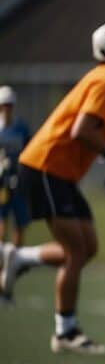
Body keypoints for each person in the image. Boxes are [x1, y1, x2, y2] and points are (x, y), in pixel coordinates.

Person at [0, 23, 105, 354]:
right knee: (75, 251)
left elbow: (103, 133)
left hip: (58, 172)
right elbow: (83, 131)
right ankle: (66, 331)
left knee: (87, 246)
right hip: (46, 166)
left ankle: (18, 257)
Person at [0, 86, 33, 247]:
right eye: (4, 105)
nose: (7, 108)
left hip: (18, 181)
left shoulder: (21, 128)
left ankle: (17, 260)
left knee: (19, 221)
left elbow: (29, 151)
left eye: (9, 105)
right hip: (1, 184)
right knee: (1, 219)